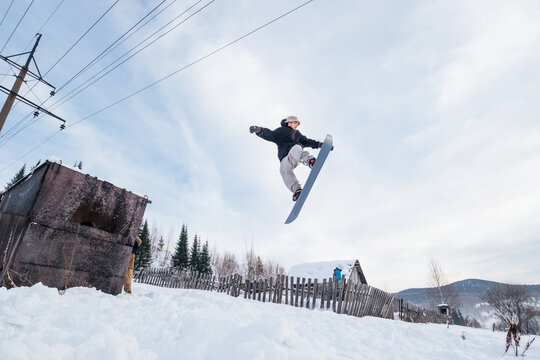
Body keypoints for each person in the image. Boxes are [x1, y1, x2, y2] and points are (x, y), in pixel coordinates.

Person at [249, 116, 331, 201]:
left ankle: (310, 161)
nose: (296, 125)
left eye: (297, 124)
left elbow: (307, 141)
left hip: (295, 151)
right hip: (285, 158)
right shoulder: (281, 131)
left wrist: (320, 145)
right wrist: (259, 130)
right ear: (289, 122)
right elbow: (271, 134)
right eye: (295, 123)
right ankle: (297, 190)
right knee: (283, 171)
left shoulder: (297, 134)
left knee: (296, 150)